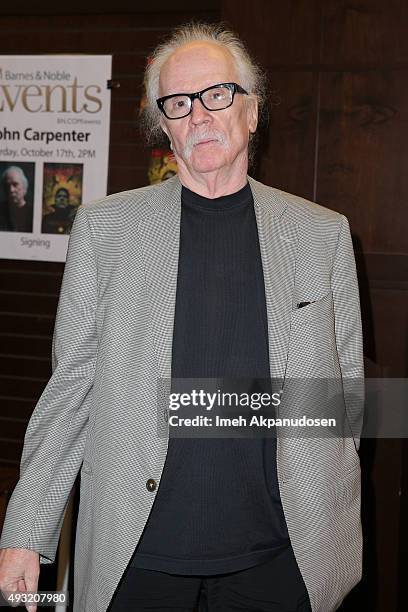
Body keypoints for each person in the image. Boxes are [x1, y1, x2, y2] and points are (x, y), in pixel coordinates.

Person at [0, 22, 364, 612]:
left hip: (281, 558)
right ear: (163, 126)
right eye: (177, 103)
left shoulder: (322, 234)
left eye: (217, 95)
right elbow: (70, 390)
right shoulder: (105, 231)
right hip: (136, 557)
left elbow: (342, 401)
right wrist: (26, 533)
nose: (198, 115)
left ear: (251, 112)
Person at [0, 166, 33, 232]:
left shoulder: (32, 211)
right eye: (7, 185)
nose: (11, 190)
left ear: (24, 186)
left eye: (15, 184)